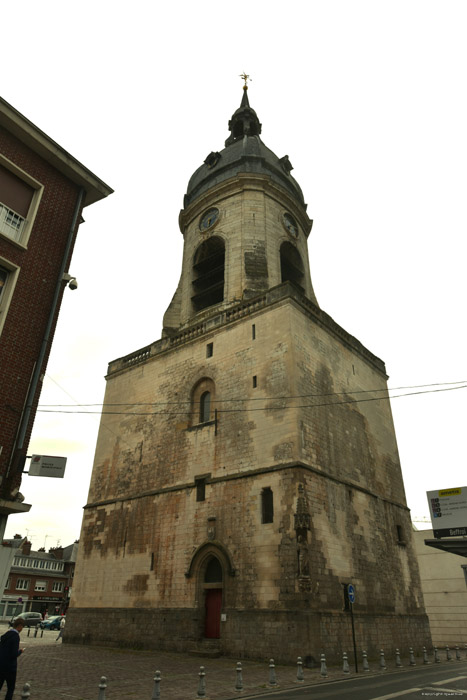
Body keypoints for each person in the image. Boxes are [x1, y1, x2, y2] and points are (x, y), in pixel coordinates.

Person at [0, 617, 25, 700]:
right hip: (10, 667)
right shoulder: (15, 637)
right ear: (20, 626)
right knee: (10, 688)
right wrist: (20, 651)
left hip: (1, 664)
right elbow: (13, 654)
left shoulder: (6, 635)